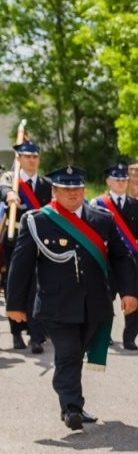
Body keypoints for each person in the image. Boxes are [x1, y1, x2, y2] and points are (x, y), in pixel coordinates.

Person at [4, 166, 138, 429]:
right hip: (57, 304)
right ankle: (71, 407)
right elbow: (20, 265)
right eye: (66, 189)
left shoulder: (102, 219)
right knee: (67, 354)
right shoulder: (38, 220)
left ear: (84, 190)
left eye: (77, 188)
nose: (73, 193)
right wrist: (15, 305)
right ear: (54, 191)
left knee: (76, 354)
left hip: (95, 302)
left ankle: (74, 403)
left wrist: (130, 291)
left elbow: (122, 258)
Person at [93, 162, 138, 351]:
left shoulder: (135, 204)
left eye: (124, 179)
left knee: (132, 298)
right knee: (106, 300)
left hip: (130, 261)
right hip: (107, 261)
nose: (121, 182)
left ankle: (130, 338)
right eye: (117, 179)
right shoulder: (99, 204)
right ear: (108, 181)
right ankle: (104, 334)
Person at [4, 138, 50, 352]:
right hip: (15, 243)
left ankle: (36, 335)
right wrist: (9, 194)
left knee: (39, 288)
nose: (32, 160)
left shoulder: (46, 185)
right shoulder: (10, 179)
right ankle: (15, 333)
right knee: (15, 287)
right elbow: (2, 187)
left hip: (42, 245)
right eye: (27, 156)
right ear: (19, 159)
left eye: (35, 156)